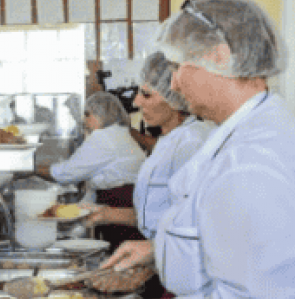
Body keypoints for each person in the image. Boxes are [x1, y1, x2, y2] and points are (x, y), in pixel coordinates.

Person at [62, 0, 295, 299]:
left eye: (179, 66)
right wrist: (160, 250)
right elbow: (237, 238)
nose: (174, 82)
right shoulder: (247, 128)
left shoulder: (256, 158)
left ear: (219, 55)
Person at [84, 52, 214, 241]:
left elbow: (191, 221)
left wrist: (151, 250)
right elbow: (155, 214)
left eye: (146, 94)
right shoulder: (170, 139)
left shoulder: (191, 142)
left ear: (175, 97)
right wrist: (104, 214)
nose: (136, 101)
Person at [36, 91, 146, 249]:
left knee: (122, 253)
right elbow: (94, 186)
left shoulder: (104, 137)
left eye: (87, 115)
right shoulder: (118, 134)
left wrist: (30, 169)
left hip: (119, 205)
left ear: (101, 114)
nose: (84, 121)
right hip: (128, 204)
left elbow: (65, 173)